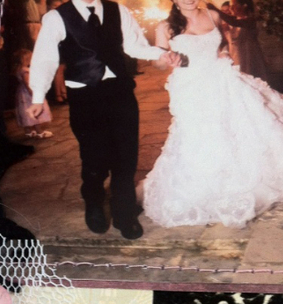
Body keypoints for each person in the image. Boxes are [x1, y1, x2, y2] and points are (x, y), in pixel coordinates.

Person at [142, 0, 283, 229]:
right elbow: (157, 63)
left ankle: (240, 187)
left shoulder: (213, 15)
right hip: (191, 87)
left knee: (236, 131)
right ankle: (204, 191)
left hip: (222, 80)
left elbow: (222, 44)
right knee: (199, 137)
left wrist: (224, 53)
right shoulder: (165, 26)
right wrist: (166, 58)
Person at [27, 0, 181, 240]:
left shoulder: (117, 10)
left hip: (120, 91)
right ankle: (93, 200)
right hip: (84, 95)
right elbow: (45, 59)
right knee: (94, 157)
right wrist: (38, 97)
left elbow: (134, 45)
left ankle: (124, 213)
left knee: (126, 156)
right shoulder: (57, 17)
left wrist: (162, 53)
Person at [13, 48, 53, 138]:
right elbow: (28, 83)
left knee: (25, 112)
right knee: (35, 112)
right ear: (25, 60)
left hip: (22, 94)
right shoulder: (25, 71)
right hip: (29, 94)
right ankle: (39, 132)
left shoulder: (19, 70)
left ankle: (28, 132)